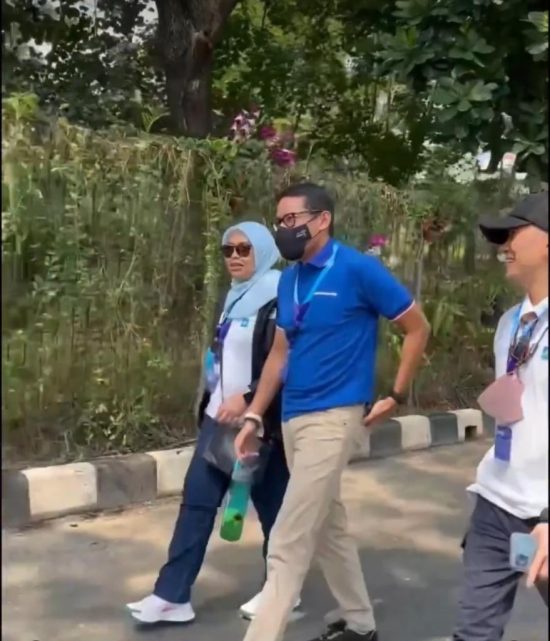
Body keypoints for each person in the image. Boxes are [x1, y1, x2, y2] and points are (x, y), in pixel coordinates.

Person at [234, 182, 431, 641]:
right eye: (278, 222)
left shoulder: (358, 270)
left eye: (291, 220)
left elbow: (417, 327)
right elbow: (279, 354)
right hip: (293, 418)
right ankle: (360, 622)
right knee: (327, 525)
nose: (283, 230)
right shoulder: (290, 279)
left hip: (334, 417)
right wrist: (254, 415)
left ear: (322, 220)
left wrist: (396, 394)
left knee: (288, 538)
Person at [126, 221, 299, 624]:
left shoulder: (280, 296)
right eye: (228, 250)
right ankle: (172, 596)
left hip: (260, 423)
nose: (235, 257)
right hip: (217, 420)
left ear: (263, 251)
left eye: (244, 249)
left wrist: (250, 398)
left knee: (274, 511)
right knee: (196, 503)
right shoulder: (234, 297)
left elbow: (286, 361)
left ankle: (282, 590)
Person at [452, 192, 548, 641]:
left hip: (545, 510)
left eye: (513, 233)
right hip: (496, 503)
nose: (503, 246)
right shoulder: (511, 323)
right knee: (474, 633)